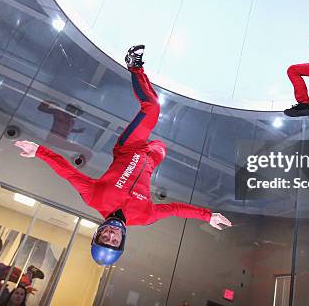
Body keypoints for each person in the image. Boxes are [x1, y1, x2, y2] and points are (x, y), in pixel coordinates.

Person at [15, 45, 232, 266]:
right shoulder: (144, 217)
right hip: (152, 157)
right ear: (121, 241)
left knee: (152, 108)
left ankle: (134, 65)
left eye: (104, 238)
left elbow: (67, 172)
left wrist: (39, 151)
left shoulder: (94, 198)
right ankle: (142, 79)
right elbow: (175, 209)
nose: (110, 235)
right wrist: (207, 216)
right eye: (113, 240)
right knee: (161, 144)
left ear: (97, 234)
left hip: (129, 147)